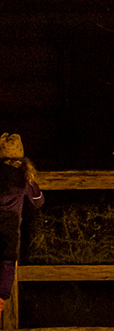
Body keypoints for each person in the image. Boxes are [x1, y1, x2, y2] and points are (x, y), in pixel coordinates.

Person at [0, 133, 43, 319]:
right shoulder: (24, 177)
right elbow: (37, 201)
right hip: (9, 229)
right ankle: (0, 300)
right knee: (7, 264)